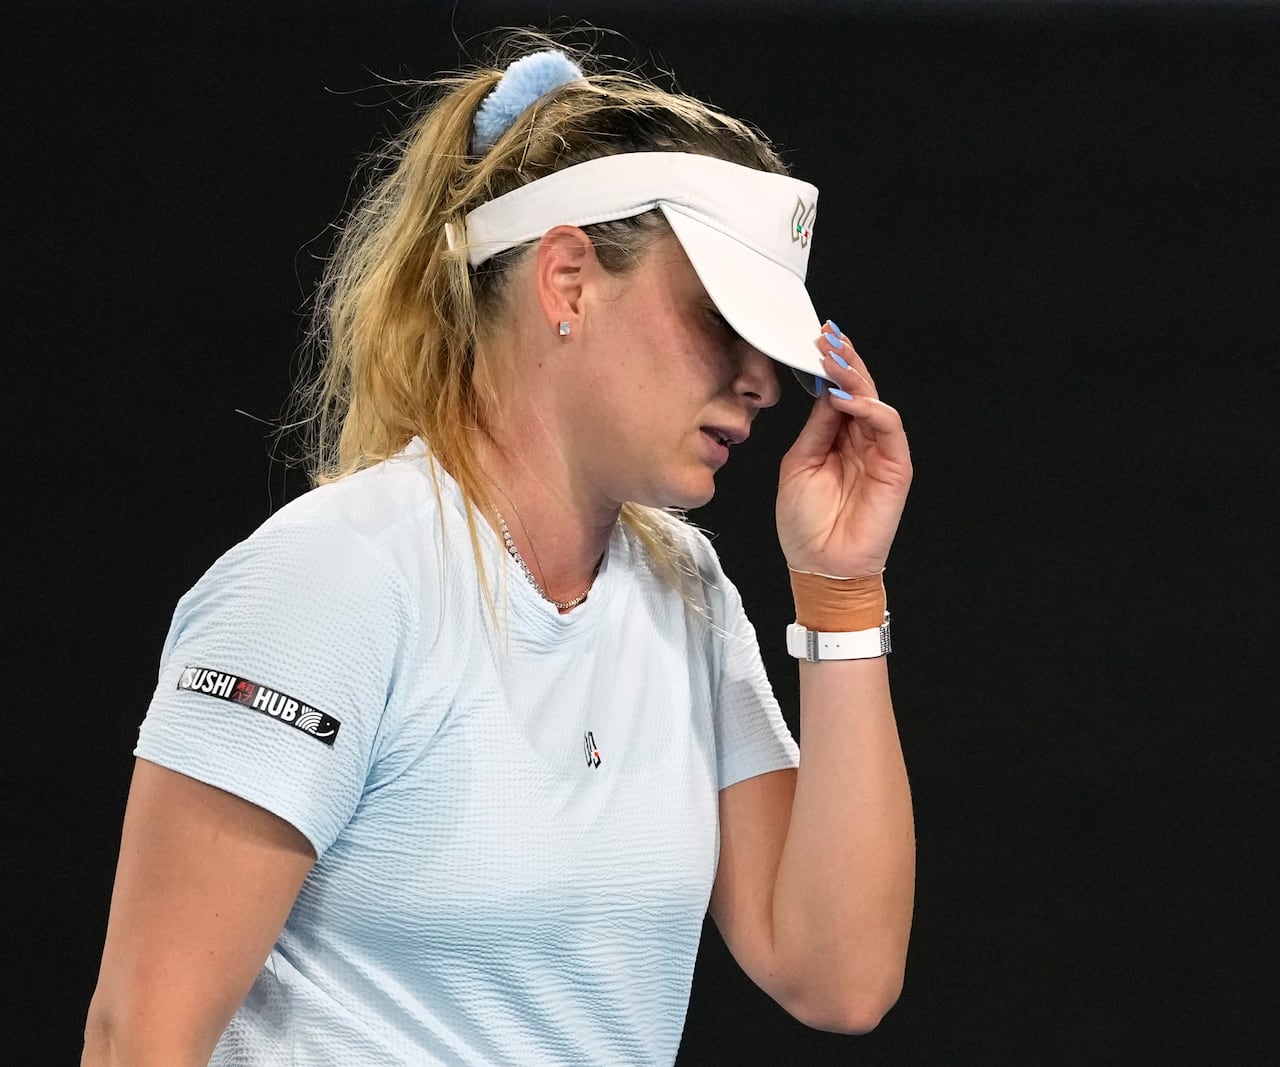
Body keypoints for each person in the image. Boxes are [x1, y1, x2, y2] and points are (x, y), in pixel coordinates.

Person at [81, 30, 914, 1066]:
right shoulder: (333, 580)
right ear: (566, 279)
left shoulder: (686, 591)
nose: (758, 379)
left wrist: (840, 588)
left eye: (770, 341)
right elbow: (137, 1039)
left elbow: (840, 973)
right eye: (718, 317)